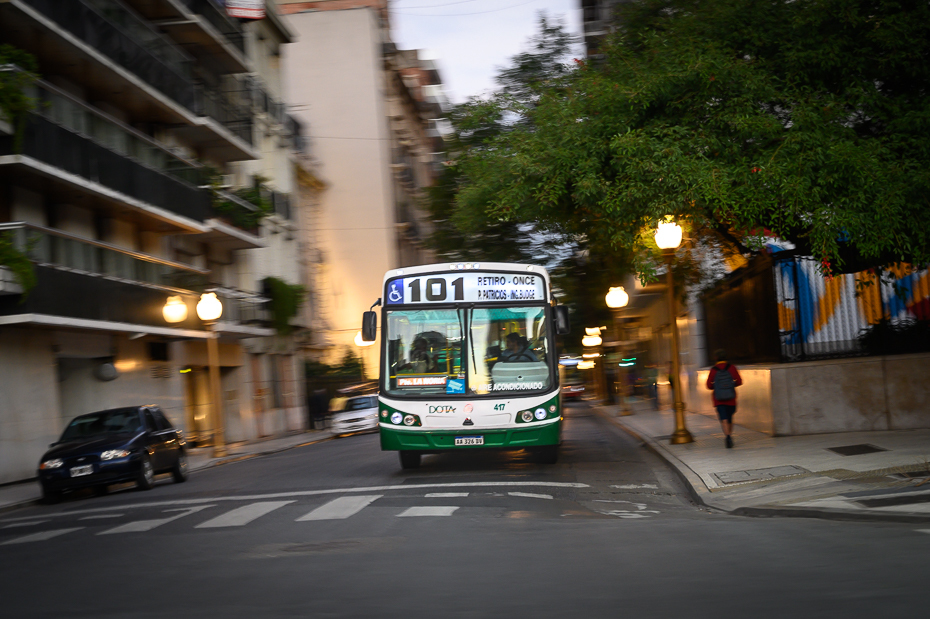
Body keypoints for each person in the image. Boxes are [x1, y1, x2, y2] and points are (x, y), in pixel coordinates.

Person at [706, 349, 742, 448]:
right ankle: (729, 434)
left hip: (719, 399)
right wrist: (730, 385)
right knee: (730, 418)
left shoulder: (714, 369)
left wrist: (717, 387)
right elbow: (739, 381)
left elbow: (709, 385)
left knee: (723, 418)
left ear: (716, 358)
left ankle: (727, 436)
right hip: (731, 398)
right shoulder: (732, 368)